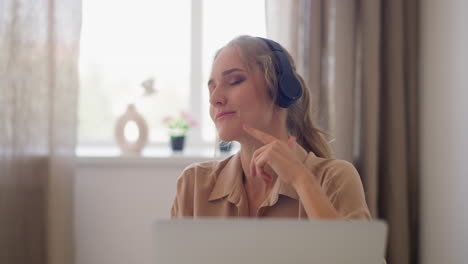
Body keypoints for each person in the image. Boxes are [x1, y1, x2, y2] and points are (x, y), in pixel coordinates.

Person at [171, 35, 371, 219]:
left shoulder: (335, 179)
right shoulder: (194, 184)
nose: (215, 99)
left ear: (281, 88)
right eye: (212, 88)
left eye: (234, 81)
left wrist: (302, 181)